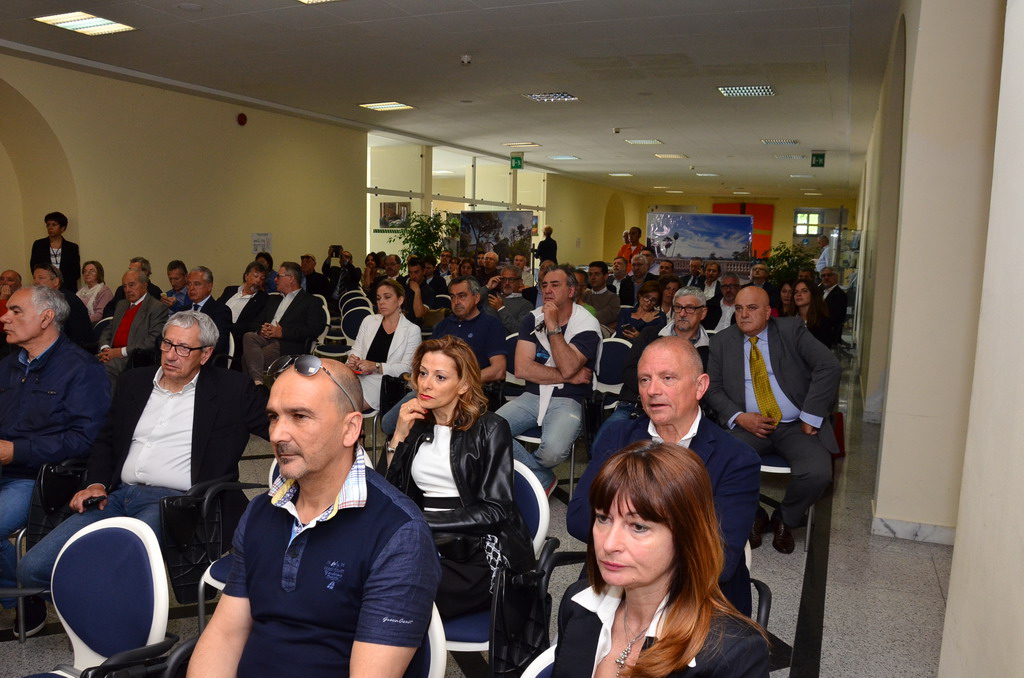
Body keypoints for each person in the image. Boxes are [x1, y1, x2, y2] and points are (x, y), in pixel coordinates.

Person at [188, 355, 439, 678]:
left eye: (300, 416)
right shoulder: (261, 510)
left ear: (350, 429)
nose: (277, 434)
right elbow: (226, 635)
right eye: (273, 417)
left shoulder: (399, 533)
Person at [19, 311, 269, 595]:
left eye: (183, 348)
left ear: (206, 354)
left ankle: (108, 613)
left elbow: (278, 427)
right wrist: (96, 483)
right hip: (114, 497)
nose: (171, 355)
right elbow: (106, 441)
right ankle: (90, 605)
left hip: (176, 504)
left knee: (110, 571)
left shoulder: (231, 389)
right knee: (32, 569)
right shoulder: (134, 382)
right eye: (167, 343)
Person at [568, 337, 760, 614]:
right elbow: (577, 518)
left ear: (700, 386)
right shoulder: (618, 438)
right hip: (614, 586)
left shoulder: (736, 459)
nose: (652, 390)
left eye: (667, 378)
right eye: (644, 380)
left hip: (694, 597)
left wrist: (625, 530)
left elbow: (719, 559)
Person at [554, 441, 769, 678]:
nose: (609, 544)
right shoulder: (577, 603)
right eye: (603, 518)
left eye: (638, 526)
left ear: (686, 537)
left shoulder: (735, 655)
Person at [384, 336, 534, 618]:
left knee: (398, 591)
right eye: (423, 373)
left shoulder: (491, 428)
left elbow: (496, 510)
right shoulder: (417, 423)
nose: (426, 384)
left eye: (440, 377)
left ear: (463, 385)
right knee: (362, 577)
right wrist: (399, 436)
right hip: (425, 541)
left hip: (476, 550)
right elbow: (389, 493)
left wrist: (423, 521)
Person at [0, 286, 110, 635]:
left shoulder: (81, 369)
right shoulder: (8, 365)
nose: (4, 317)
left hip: (37, 477)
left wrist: (16, 451)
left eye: (16, 311)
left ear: (46, 318)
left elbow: (86, 439)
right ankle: (21, 595)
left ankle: (25, 599)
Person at [705, 286, 841, 553]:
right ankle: (754, 515)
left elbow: (829, 366)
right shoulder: (722, 341)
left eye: (752, 308)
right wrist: (740, 417)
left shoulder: (791, 330)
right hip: (749, 426)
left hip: (795, 425)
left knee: (817, 473)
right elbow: (713, 388)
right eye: (739, 309)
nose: (744, 314)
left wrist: (811, 415)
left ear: (768, 312)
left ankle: (785, 518)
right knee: (717, 463)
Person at [494, 265, 601, 492]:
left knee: (553, 452)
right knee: (487, 431)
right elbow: (522, 369)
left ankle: (526, 477)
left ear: (571, 291)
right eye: (544, 285)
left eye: (555, 285)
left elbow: (569, 365)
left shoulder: (587, 324)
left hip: (569, 398)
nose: (548, 290)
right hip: (532, 394)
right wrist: (567, 377)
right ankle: (540, 478)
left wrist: (552, 325)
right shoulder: (532, 318)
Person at [241, 262, 327, 384]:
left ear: (291, 278)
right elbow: (256, 322)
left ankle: (255, 385)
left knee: (247, 358)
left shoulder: (311, 301)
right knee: (248, 336)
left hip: (286, 344)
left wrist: (283, 333)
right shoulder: (273, 299)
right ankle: (258, 383)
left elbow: (314, 329)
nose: (275, 280)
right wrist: (262, 329)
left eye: (279, 276)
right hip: (264, 339)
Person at [347, 279, 421, 411]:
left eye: (387, 297)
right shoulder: (369, 321)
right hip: (359, 377)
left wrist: (376, 366)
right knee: (331, 397)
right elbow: (356, 349)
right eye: (378, 298)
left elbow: (407, 369)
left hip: (385, 383)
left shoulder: (412, 330)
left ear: (400, 300)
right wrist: (353, 360)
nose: (381, 302)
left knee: (344, 406)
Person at [32, 264, 94, 350]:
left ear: (56, 281)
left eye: (41, 278)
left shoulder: (67, 301)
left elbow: (78, 337)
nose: (35, 282)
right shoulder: (43, 300)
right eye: (34, 278)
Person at [217, 261, 269, 365]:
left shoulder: (263, 298)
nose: (258, 280)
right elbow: (216, 308)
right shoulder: (230, 290)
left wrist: (228, 328)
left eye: (262, 278)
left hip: (234, 336)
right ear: (246, 276)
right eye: (256, 276)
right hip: (214, 328)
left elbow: (253, 324)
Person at [186, 266, 233, 356]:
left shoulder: (221, 311)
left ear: (209, 286)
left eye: (197, 284)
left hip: (205, 358)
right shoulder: (182, 311)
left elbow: (219, 345)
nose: (191, 288)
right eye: (189, 284)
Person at [30, 211, 81, 293]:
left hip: (67, 289)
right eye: (48, 225)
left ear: (62, 228)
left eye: (54, 225)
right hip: (44, 289)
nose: (50, 228)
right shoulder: (39, 244)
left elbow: (75, 271)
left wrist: (60, 285)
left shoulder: (72, 247)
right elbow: (34, 266)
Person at [486, 265, 534, 334]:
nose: (507, 283)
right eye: (504, 279)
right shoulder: (492, 296)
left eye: (511, 279)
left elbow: (519, 330)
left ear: (520, 282)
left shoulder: (526, 305)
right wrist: (487, 287)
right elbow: (474, 300)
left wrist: (501, 309)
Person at [792, 280, 832, 348]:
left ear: (813, 294)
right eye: (796, 292)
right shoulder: (789, 318)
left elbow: (824, 349)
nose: (798, 294)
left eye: (804, 291)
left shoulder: (823, 321)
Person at [584, 260, 620, 329]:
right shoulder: (584, 295)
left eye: (597, 274)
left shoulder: (613, 298)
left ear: (606, 276)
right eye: (590, 274)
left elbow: (603, 318)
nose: (593, 277)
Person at [820, 267, 848, 346]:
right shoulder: (820, 292)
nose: (826, 278)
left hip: (830, 334)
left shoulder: (840, 295)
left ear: (836, 277)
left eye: (829, 275)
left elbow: (835, 317)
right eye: (823, 275)